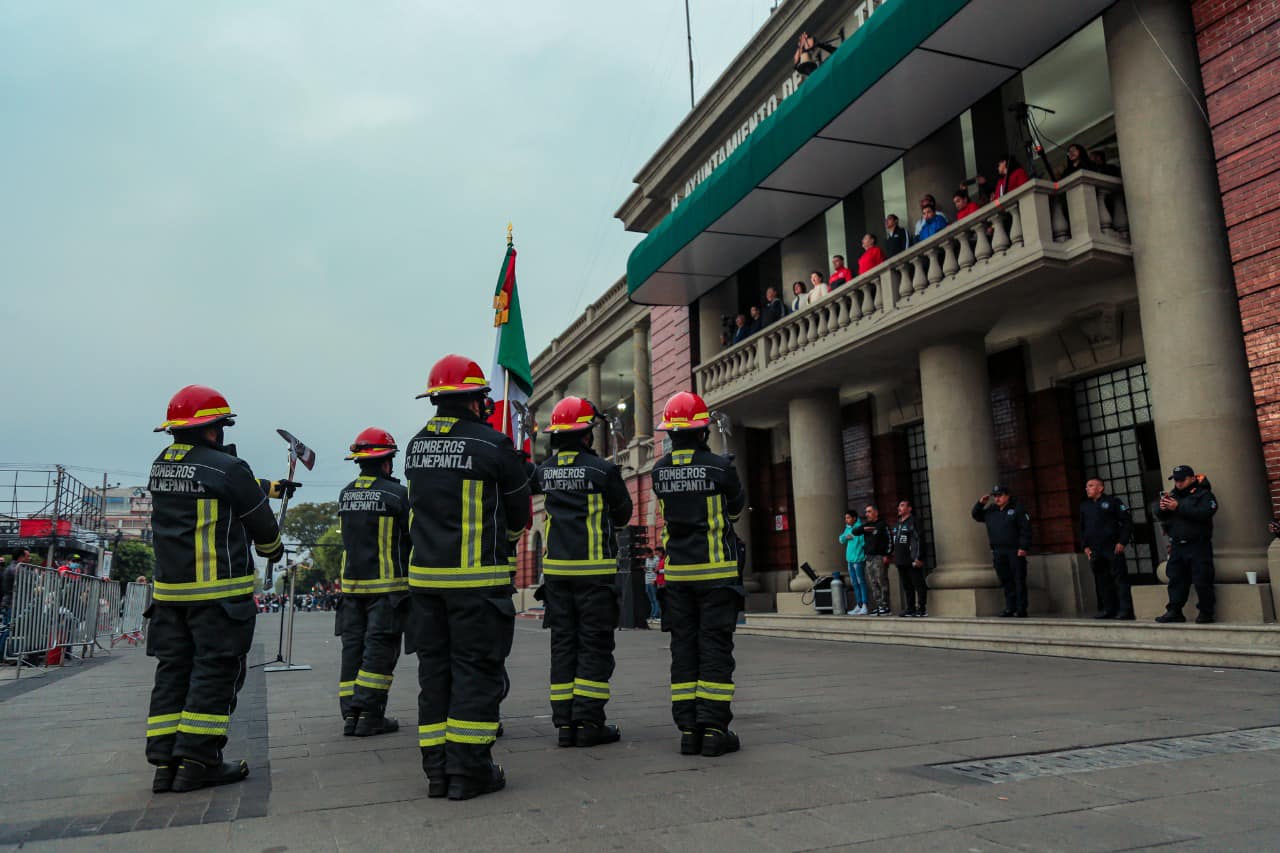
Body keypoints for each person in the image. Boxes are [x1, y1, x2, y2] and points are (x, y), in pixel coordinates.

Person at [145, 385, 291, 793]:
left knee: (174, 672)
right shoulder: (228, 467)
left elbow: (212, 478)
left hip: (170, 597)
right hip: (216, 597)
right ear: (212, 430)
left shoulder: (160, 465)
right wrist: (272, 550)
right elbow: (262, 524)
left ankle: (165, 763)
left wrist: (268, 485)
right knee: (214, 673)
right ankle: (199, 761)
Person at [403, 354, 531, 800]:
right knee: (476, 674)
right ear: (476, 401)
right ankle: (469, 770)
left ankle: (437, 770)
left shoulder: (415, 445)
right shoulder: (493, 444)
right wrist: (507, 540)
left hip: (426, 585)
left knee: (434, 675)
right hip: (477, 584)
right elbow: (519, 512)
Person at [534, 396, 633, 748]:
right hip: (594, 575)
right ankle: (589, 722)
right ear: (587, 435)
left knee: (563, 646)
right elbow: (623, 515)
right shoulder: (603, 471)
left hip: (557, 576)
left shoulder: (543, 471)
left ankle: (565, 724)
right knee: (593, 646)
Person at [651, 391, 747, 757]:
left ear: (671, 433)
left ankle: (689, 729)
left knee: (684, 650)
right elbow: (736, 512)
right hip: (717, 574)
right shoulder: (720, 468)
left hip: (677, 577)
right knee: (715, 650)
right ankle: (714, 730)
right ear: (703, 429)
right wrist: (727, 471)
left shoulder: (659, 471)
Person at [336, 427, 410, 738]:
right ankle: (369, 715)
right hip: (387, 589)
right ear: (387, 462)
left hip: (351, 590)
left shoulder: (346, 493)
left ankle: (351, 714)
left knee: (353, 649)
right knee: (379, 651)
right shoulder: (398, 494)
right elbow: (413, 536)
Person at [1155, 465, 1218, 624]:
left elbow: (1205, 513)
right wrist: (1162, 508)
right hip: (1177, 546)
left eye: (1182, 480)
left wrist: (1179, 506)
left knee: (1202, 579)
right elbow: (1161, 516)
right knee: (1175, 579)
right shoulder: (1173, 495)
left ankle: (1206, 612)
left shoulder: (1204, 494)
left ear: (1191, 478)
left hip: (1198, 544)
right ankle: (1174, 611)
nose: (1178, 483)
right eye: (1175, 480)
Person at [971, 486, 1032, 618]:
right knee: (1006, 580)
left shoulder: (1017, 509)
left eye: (1000, 495)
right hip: (998, 550)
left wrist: (1024, 547)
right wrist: (980, 503)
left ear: (1008, 496)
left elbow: (1025, 530)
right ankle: (1010, 608)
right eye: (995, 496)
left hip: (1015, 550)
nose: (997, 498)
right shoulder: (991, 510)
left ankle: (1021, 608)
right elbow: (976, 515)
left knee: (1018, 580)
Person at [1079, 477, 1134, 620]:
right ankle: (1108, 609)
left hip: (1112, 547)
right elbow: (1083, 528)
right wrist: (1085, 546)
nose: (1087, 489)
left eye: (1090, 486)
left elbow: (1127, 523)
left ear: (1100, 488)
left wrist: (1122, 542)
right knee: (1102, 581)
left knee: (1120, 580)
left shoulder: (1113, 502)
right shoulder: (1085, 506)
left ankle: (1125, 610)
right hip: (1095, 549)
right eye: (1087, 486)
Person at [854, 506, 892, 615]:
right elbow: (855, 531)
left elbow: (889, 540)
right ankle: (879, 605)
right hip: (869, 558)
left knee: (881, 581)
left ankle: (885, 606)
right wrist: (864, 529)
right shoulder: (866, 526)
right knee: (873, 583)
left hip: (879, 557)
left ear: (876, 512)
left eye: (869, 512)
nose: (867, 514)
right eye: (866, 512)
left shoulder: (882, 525)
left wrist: (887, 555)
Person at [892, 500, 926, 617]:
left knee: (918, 584)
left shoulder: (914, 521)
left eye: (902, 505)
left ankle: (922, 608)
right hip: (900, 560)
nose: (899, 508)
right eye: (899, 506)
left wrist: (919, 557)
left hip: (912, 560)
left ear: (909, 508)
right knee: (907, 586)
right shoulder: (897, 524)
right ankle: (910, 608)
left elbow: (920, 539)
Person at [838, 511, 868, 615]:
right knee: (855, 583)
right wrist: (846, 537)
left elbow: (863, 543)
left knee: (861, 582)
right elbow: (841, 539)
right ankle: (859, 605)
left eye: (848, 518)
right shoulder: (848, 528)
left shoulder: (859, 528)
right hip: (850, 561)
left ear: (854, 518)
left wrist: (861, 557)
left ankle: (865, 605)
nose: (846, 520)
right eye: (845, 518)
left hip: (858, 560)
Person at [643, 550, 661, 621]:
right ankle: (652, 614)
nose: (647, 557)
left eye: (648, 555)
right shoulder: (647, 559)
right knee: (651, 600)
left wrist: (655, 580)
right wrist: (645, 569)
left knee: (655, 599)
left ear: (651, 553)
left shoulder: (657, 559)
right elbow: (648, 569)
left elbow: (657, 570)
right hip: (647, 580)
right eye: (646, 555)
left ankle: (655, 615)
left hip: (653, 581)